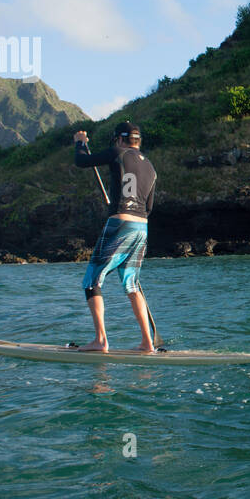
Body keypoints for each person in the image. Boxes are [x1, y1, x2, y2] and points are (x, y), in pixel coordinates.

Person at [72, 121, 158, 352]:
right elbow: (148, 206)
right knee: (131, 285)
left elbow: (82, 161)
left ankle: (100, 340)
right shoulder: (150, 166)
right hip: (142, 227)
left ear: (120, 140)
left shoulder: (117, 152)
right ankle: (147, 343)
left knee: (91, 281)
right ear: (137, 141)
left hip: (120, 224)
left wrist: (80, 143)